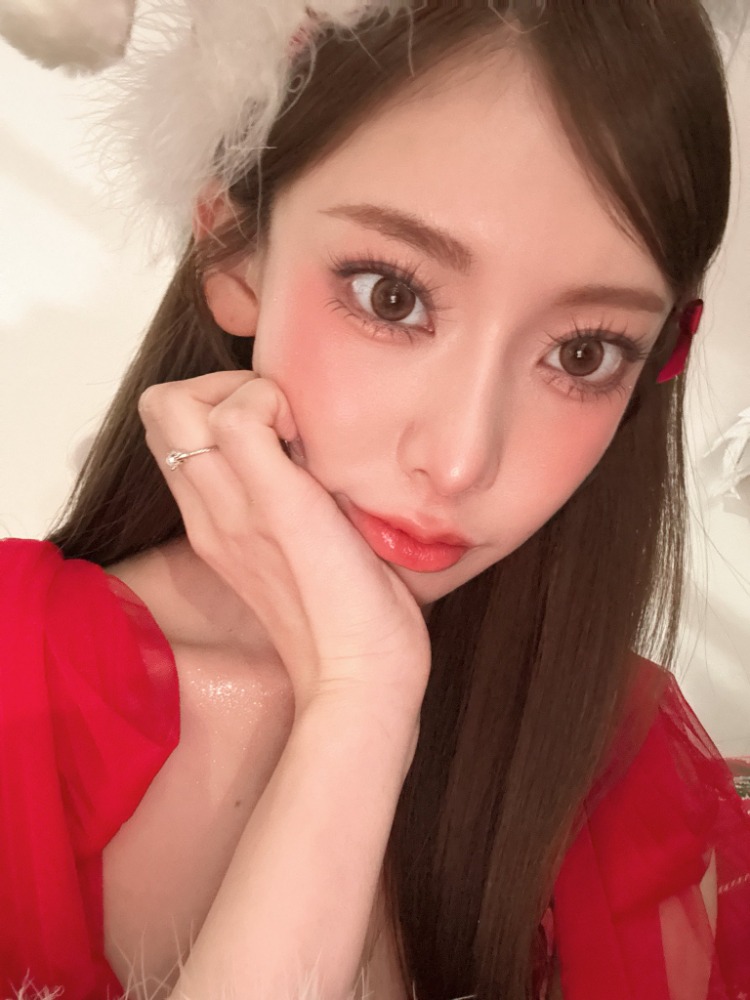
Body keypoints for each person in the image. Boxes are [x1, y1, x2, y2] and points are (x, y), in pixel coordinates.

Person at [1, 2, 749, 998]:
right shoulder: (16, 683)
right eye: (392, 296)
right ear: (235, 248)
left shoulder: (620, 773)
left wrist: (363, 694)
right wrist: (358, 699)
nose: (459, 460)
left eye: (582, 354)